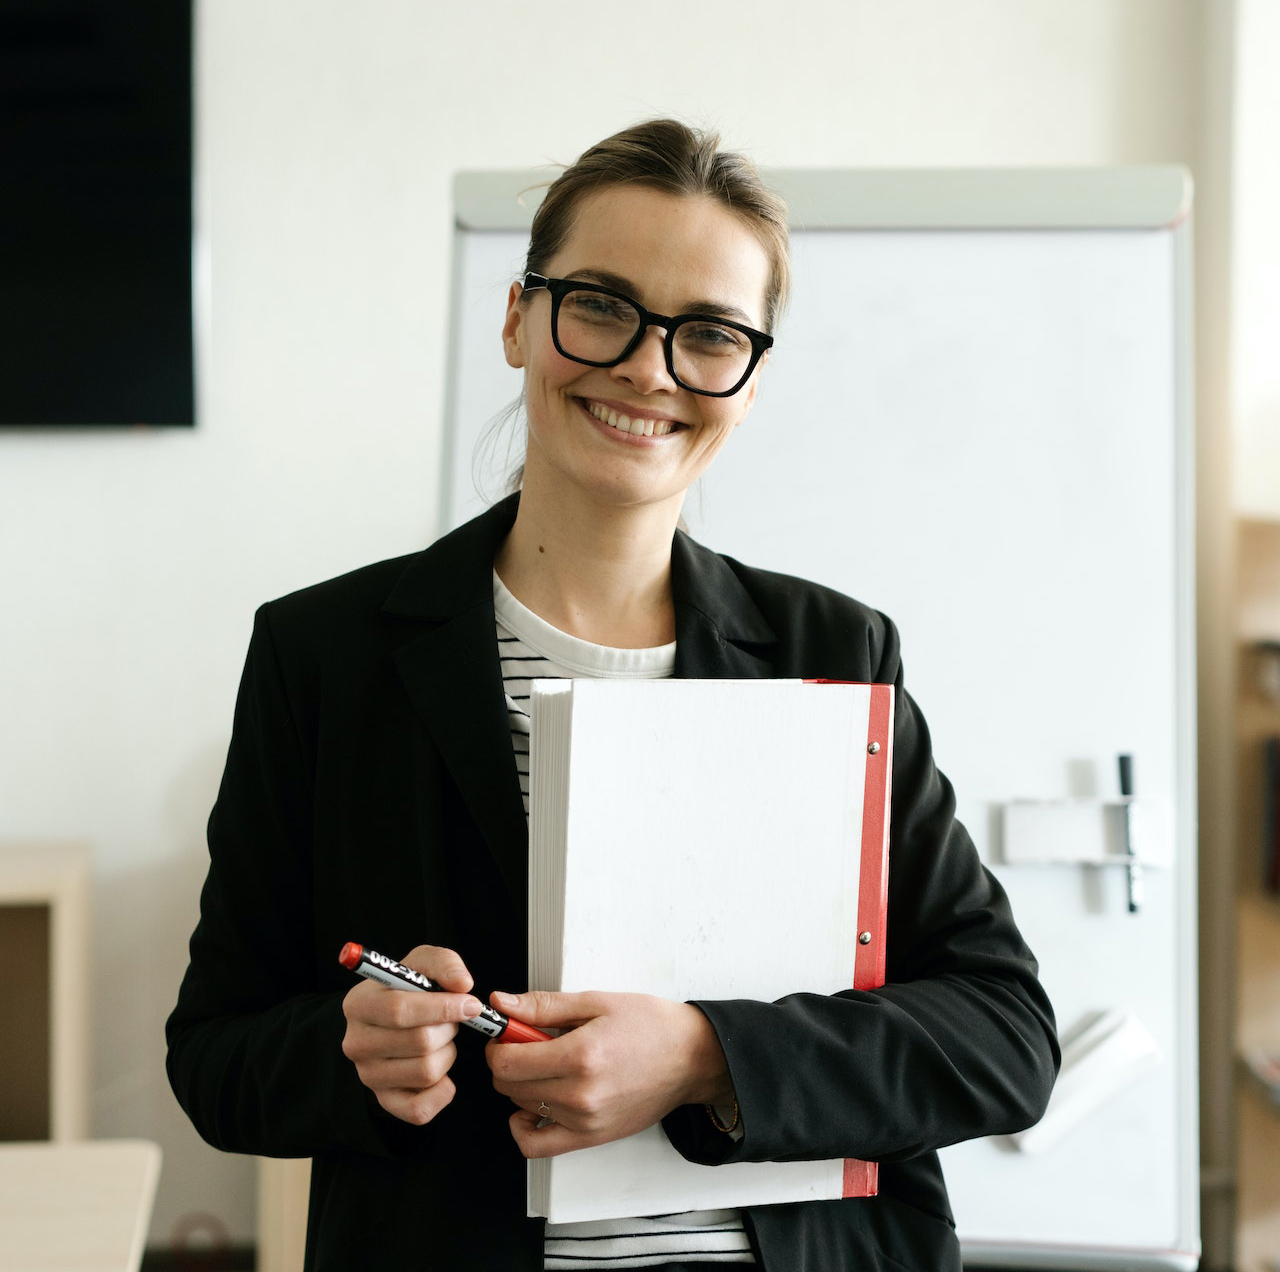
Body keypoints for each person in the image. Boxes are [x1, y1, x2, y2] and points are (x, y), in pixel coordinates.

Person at [166, 118, 1058, 1272]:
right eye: (600, 304)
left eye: (708, 335)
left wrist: (703, 1055)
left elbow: (1003, 1038)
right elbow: (216, 1056)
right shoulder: (325, 654)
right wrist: (354, 1052)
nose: (648, 368)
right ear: (516, 318)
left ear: (748, 377)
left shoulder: (834, 650)